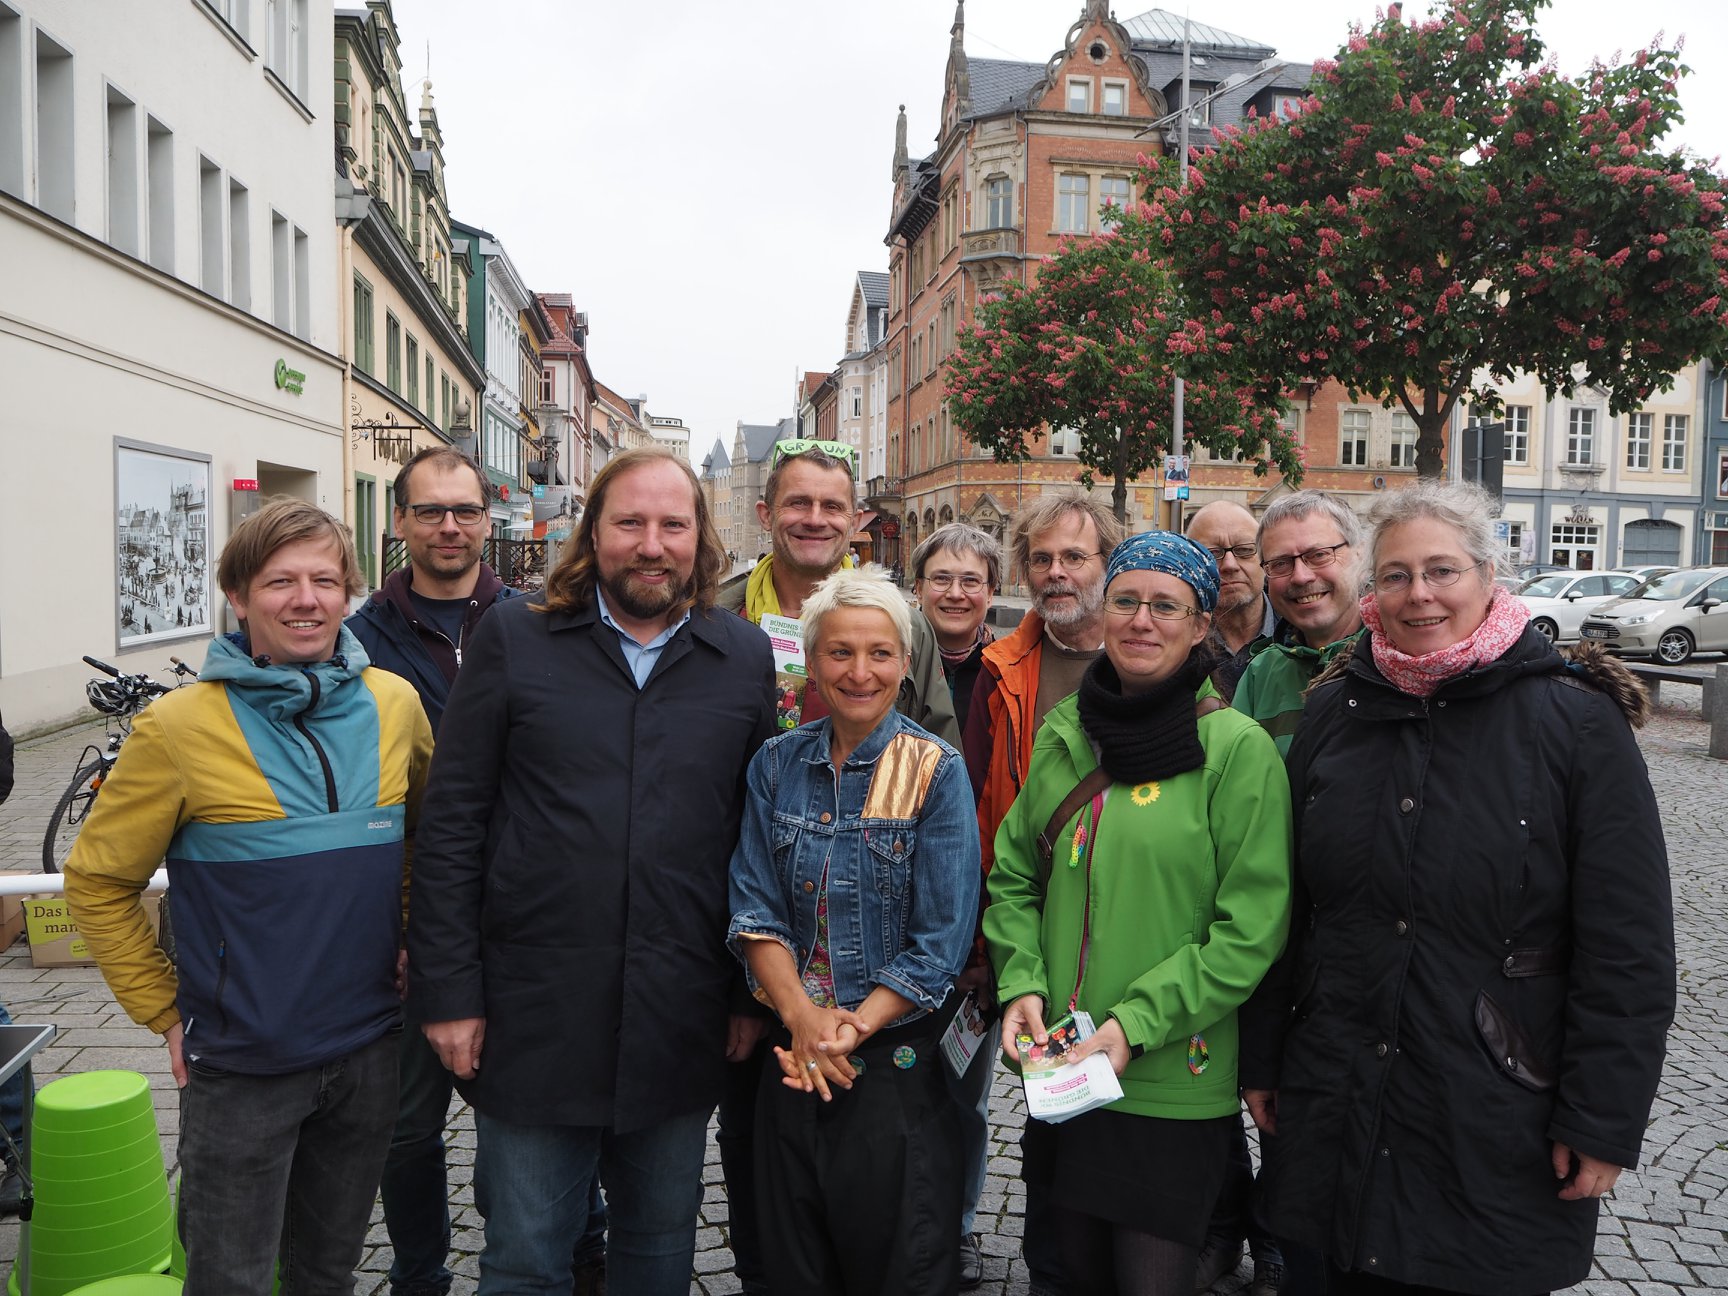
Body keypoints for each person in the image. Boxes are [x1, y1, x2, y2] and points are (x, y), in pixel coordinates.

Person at [1242, 479, 1675, 1296]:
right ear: (1373, 589)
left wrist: (1604, 1118)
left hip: (1493, 1113)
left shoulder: (1575, 724)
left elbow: (1629, 946)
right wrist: (1264, 1056)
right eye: (1397, 575)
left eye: (1442, 570)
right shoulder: (1337, 713)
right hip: (1333, 1095)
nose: (1420, 594)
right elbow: (1288, 909)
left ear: (1487, 575)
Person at [406, 447, 776, 1296]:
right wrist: (451, 994)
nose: (652, 544)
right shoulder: (514, 636)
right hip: (535, 1015)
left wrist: (743, 996)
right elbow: (453, 824)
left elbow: (756, 842)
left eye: (672, 525)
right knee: (526, 1256)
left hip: (679, 1014)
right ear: (594, 534)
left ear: (700, 537)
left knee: (656, 1253)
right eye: (630, 523)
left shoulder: (742, 656)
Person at [65, 498, 434, 1293]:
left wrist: (409, 936)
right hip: (242, 1066)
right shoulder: (177, 728)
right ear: (238, 597)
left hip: (370, 1049)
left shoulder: (394, 705)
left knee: (327, 1272)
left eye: (326, 580)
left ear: (349, 594)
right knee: (228, 1276)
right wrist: (165, 1012)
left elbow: (420, 847)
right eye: (280, 582)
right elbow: (97, 882)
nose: (306, 599)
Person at [985, 530, 1292, 1296]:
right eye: (1126, 601)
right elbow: (1015, 877)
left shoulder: (1234, 750)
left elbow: (1250, 930)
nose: (1141, 620)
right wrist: (1021, 983)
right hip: (1064, 1069)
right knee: (1065, 1275)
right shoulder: (1066, 737)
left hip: (1168, 1081)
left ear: (1199, 626)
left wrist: (1135, 1023)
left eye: (1166, 605)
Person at [348, 447, 609, 1296]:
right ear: (400, 524)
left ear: (487, 519)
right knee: (407, 1129)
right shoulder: (358, 640)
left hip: (530, 923)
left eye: (464, 510)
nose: (450, 527)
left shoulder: (544, 619)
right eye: (430, 512)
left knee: (535, 1113)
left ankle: (576, 1247)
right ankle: (420, 1273)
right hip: (405, 922)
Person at [717, 437, 958, 1291]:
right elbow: (754, 907)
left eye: (880, 654)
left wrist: (842, 1027)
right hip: (789, 1030)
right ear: (807, 662)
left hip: (879, 1043)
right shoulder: (773, 763)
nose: (860, 670)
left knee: (886, 1249)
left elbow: (937, 940)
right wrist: (801, 1018)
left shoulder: (931, 769)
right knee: (782, 1250)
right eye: (840, 654)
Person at [962, 492, 1123, 1296]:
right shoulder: (997, 670)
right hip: (1028, 928)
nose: (1056, 573)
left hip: (1128, 937)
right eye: (1042, 559)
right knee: (1046, 1119)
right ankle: (1054, 1263)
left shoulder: (1148, 657)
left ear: (1107, 563)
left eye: (1075, 557)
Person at [909, 520, 1003, 1286]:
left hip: (982, 914)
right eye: (941, 577)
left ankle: (963, 1225)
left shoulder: (1008, 679)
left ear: (992, 592)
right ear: (918, 588)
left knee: (965, 1090)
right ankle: (900, 1217)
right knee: (898, 1084)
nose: (956, 592)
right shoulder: (890, 664)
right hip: (903, 906)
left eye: (971, 579)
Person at [1231, 492, 1367, 758]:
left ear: (1360, 556)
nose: (1301, 577)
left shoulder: (1399, 660)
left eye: (1318, 555)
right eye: (1280, 563)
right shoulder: (1261, 675)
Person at [1184, 501, 1273, 698]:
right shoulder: (1177, 642)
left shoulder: (1297, 633)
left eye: (1244, 550)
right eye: (1212, 554)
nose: (1230, 565)